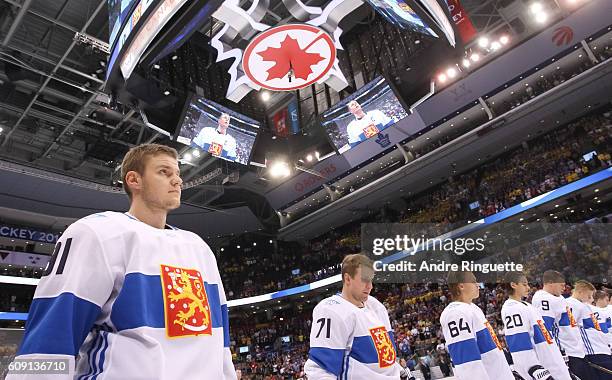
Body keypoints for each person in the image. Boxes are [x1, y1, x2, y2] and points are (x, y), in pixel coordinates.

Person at [7, 144, 236, 379]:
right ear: (134, 180)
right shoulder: (97, 232)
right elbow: (51, 334)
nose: (177, 181)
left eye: (177, 174)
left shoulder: (199, 248)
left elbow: (220, 342)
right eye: (164, 172)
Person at [304, 254, 401, 379]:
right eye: (364, 280)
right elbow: (320, 370)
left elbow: (386, 359)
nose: (370, 286)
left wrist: (401, 371)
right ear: (348, 279)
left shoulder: (376, 306)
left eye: (371, 280)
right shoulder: (330, 310)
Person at [439, 270, 514, 380]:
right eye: (473, 281)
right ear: (461, 286)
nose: (477, 284)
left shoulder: (473, 308)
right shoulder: (455, 313)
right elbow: (468, 363)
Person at [501, 272, 571, 380]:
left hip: (553, 365)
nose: (528, 287)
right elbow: (519, 345)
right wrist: (534, 370)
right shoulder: (512, 309)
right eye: (524, 284)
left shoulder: (527, 306)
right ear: (513, 285)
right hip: (545, 369)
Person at [532, 270, 595, 380]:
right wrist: (558, 354)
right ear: (550, 283)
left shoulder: (559, 298)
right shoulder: (543, 298)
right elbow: (546, 329)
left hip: (577, 352)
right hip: (567, 353)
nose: (564, 288)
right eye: (561, 285)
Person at [565, 280, 612, 378]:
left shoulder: (586, 307)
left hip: (600, 350)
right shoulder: (571, 304)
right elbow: (569, 329)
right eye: (589, 296)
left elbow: (600, 328)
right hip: (590, 352)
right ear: (580, 292)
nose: (590, 299)